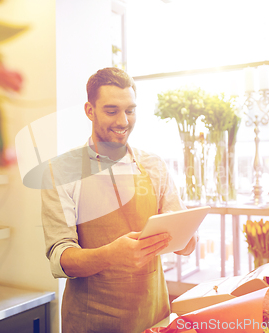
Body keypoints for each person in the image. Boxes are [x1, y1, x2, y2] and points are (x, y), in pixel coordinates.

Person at [41, 67, 196, 333]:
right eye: (112, 111)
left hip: (154, 317)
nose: (123, 121)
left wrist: (187, 240)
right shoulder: (61, 171)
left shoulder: (154, 166)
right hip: (92, 321)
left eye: (130, 110)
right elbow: (60, 258)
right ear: (90, 111)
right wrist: (111, 255)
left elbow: (184, 240)